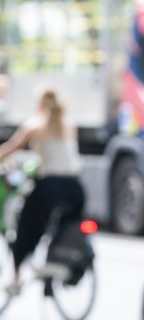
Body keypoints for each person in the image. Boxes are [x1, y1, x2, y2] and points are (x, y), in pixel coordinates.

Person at [0, 86, 85, 295]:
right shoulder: (69, 124)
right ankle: (56, 260)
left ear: (40, 105)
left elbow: (10, 149)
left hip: (49, 188)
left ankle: (16, 278)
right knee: (66, 226)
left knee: (25, 229)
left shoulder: (34, 125)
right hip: (76, 189)